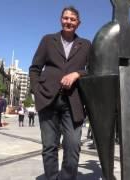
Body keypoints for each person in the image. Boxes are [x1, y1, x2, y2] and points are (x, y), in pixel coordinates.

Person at [29, 6, 91, 180]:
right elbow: (34, 68)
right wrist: (37, 91)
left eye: (72, 19)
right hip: (48, 100)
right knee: (49, 146)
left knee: (73, 145)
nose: (68, 22)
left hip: (73, 102)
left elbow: (94, 70)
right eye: (65, 18)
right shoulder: (48, 40)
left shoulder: (86, 44)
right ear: (60, 19)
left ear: (78, 23)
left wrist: (77, 73)